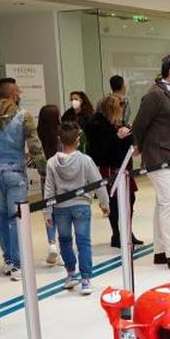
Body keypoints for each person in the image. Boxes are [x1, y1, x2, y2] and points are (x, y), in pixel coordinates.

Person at [0, 78, 46, 281]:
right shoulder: (23, 116)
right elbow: (35, 146)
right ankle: (17, 263)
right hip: (15, 172)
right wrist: (43, 169)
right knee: (16, 217)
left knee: (0, 215)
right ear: (12, 94)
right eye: (18, 92)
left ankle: (8, 260)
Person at [132, 53, 170, 272]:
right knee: (169, 203)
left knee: (162, 204)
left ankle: (160, 250)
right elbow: (139, 123)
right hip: (159, 157)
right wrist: (138, 144)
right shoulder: (156, 95)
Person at [46, 123, 110, 295]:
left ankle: (71, 274)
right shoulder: (85, 160)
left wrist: (47, 212)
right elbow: (98, 182)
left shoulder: (51, 163)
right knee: (83, 242)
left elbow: (49, 189)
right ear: (78, 139)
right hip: (81, 205)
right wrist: (104, 203)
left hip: (61, 208)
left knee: (65, 240)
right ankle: (86, 279)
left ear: (59, 139)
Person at [86, 94, 142, 248]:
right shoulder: (98, 126)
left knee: (130, 199)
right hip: (110, 168)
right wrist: (117, 137)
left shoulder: (117, 123)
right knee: (114, 203)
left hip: (124, 167)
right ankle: (117, 234)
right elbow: (100, 150)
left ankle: (127, 231)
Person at [35, 104, 65, 266]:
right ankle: (61, 248)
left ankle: (52, 243)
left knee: (48, 211)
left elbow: (33, 158)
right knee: (61, 212)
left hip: (45, 178)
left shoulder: (38, 135)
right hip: (61, 179)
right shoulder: (61, 135)